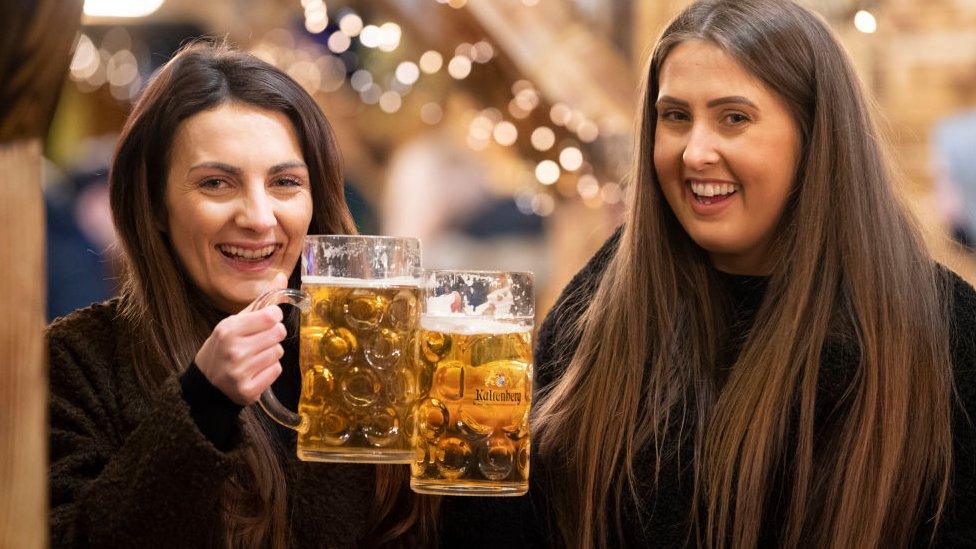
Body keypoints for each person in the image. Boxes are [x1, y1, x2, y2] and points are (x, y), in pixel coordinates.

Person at [440, 0, 976, 547]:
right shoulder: (605, 296)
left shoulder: (945, 331)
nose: (695, 152)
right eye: (675, 117)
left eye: (734, 118)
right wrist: (464, 436)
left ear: (816, 137)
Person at [47, 42, 433, 547]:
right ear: (156, 206)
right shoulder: (75, 362)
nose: (257, 217)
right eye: (216, 183)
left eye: (285, 182)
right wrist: (202, 402)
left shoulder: (372, 352)